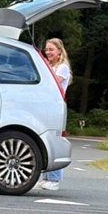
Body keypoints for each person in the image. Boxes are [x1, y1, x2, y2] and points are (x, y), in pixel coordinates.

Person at [36, 38, 71, 191]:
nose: (48, 52)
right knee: (44, 140)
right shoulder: (50, 67)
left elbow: (51, 83)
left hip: (55, 107)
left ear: (59, 51)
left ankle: (54, 178)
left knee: (54, 140)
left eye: (51, 49)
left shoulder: (62, 68)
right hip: (46, 107)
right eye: (47, 49)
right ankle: (45, 177)